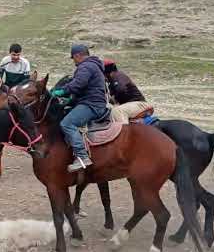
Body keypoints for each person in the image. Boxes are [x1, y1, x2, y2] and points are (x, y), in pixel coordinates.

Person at [50, 44, 107, 172]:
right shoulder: (92, 65)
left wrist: (60, 91)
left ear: (77, 55)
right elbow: (84, 88)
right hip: (92, 102)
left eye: (73, 58)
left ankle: (82, 157)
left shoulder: (86, 66)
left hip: (91, 105)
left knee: (67, 123)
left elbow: (78, 84)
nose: (74, 62)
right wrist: (70, 100)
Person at [102, 59, 152, 124]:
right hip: (132, 105)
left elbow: (121, 89)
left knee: (117, 111)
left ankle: (124, 132)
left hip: (139, 104)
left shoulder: (118, 75)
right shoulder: (111, 82)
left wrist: (114, 98)